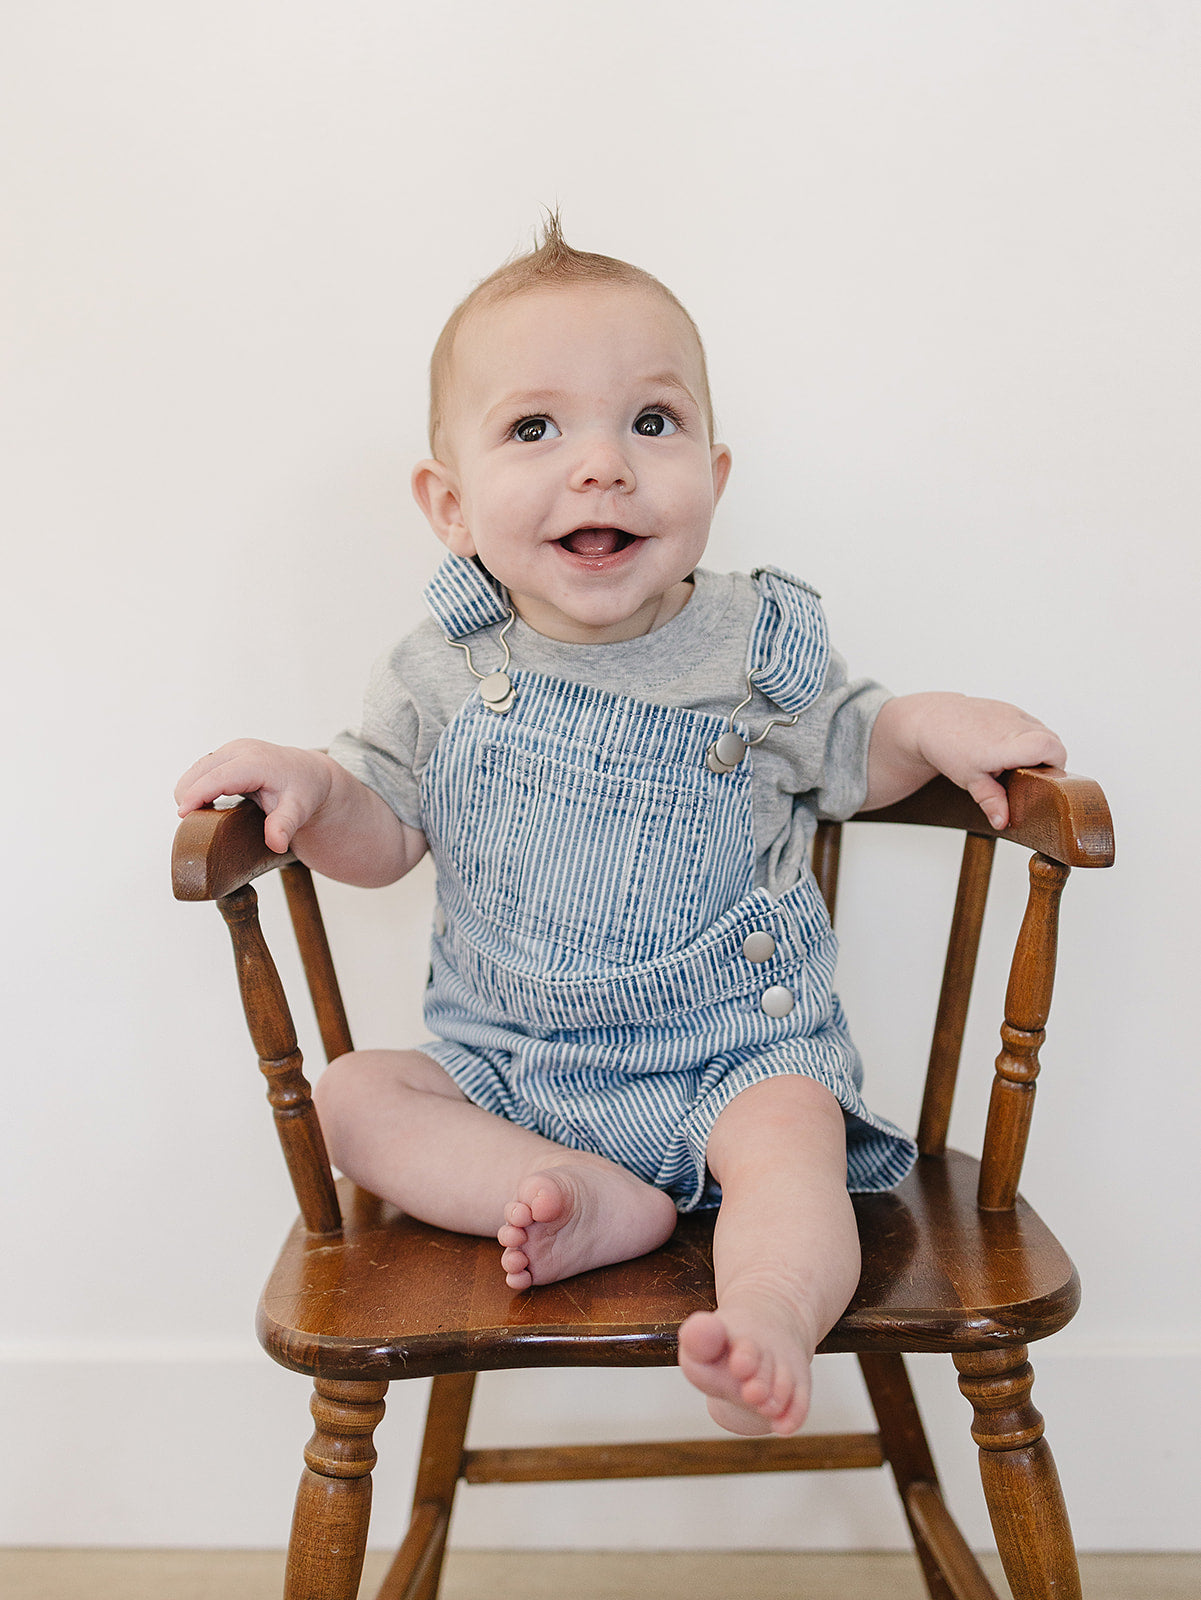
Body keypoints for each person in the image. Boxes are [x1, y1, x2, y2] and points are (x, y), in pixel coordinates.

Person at [175, 219, 1065, 1439]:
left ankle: (764, 1308)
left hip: (727, 1056)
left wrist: (930, 722)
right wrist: (319, 792)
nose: (602, 465)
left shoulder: (757, 644)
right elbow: (382, 839)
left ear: (716, 471)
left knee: (794, 1134)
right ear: (449, 504)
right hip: (509, 1073)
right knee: (353, 1097)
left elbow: (858, 747)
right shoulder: (438, 667)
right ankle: (581, 1198)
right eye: (535, 429)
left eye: (652, 423)